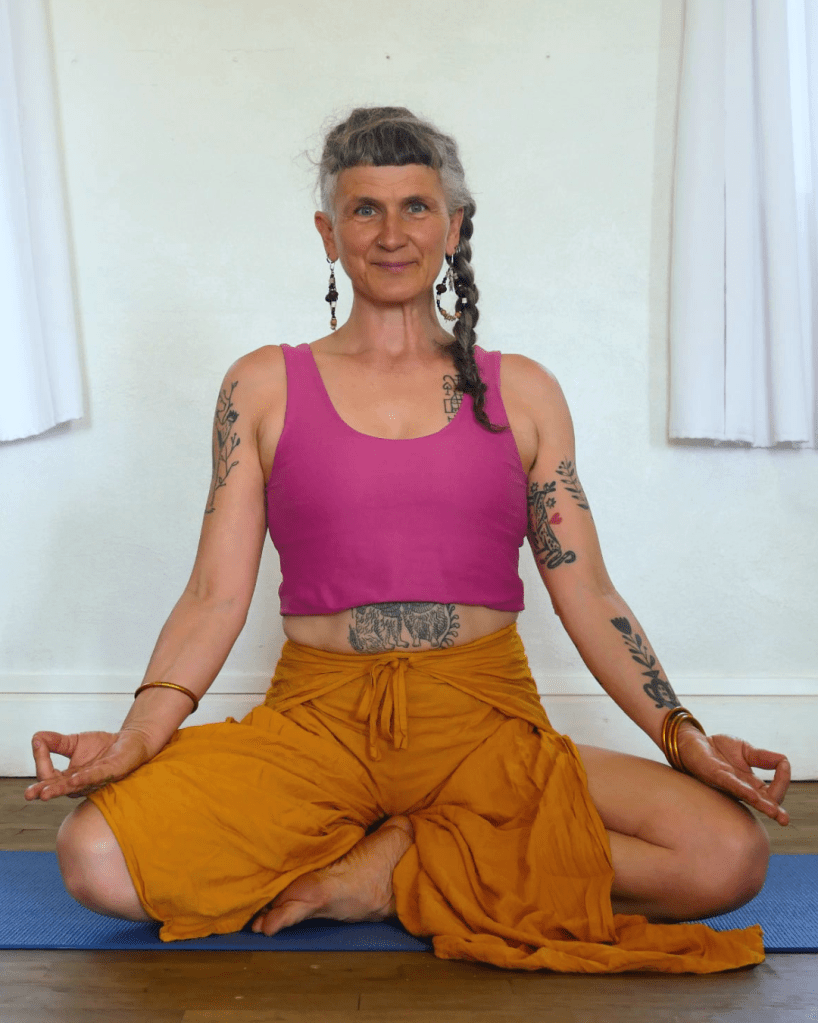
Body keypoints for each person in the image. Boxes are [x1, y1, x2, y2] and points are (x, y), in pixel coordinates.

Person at [25, 107, 791, 974]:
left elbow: (587, 591)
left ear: (453, 226)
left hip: (484, 724)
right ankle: (423, 847)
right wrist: (137, 735)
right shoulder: (262, 385)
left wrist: (683, 734)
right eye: (365, 209)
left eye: (416, 207)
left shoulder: (523, 392)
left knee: (727, 855)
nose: (392, 234)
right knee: (92, 857)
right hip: (317, 725)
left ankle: (394, 866)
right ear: (329, 233)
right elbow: (215, 594)